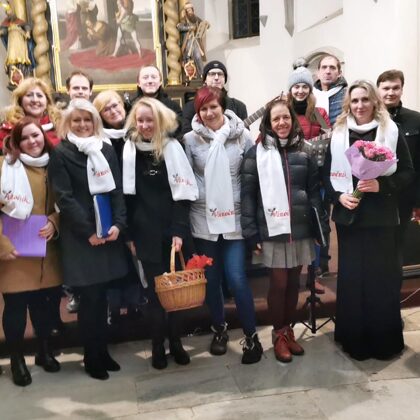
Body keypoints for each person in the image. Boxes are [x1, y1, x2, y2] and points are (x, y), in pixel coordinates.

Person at [323, 80, 414, 361]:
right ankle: (355, 342)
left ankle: (384, 342)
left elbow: (407, 172)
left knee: (381, 279)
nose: (360, 105)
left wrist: (381, 185)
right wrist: (339, 196)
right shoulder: (339, 133)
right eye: (354, 101)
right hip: (349, 217)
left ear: (374, 102)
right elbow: (325, 174)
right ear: (348, 104)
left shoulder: (390, 130)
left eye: (365, 100)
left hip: (381, 217)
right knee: (353, 279)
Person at [241, 97, 327, 363]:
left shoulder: (304, 151)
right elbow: (248, 197)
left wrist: (320, 228)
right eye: (276, 118)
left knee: (293, 283)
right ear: (268, 123)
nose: (281, 123)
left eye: (286, 117)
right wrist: (251, 232)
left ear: (293, 120)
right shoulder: (256, 154)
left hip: (300, 227)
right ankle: (278, 334)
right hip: (272, 229)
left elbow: (314, 193)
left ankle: (288, 331)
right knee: (278, 284)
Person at [49, 99, 128, 380]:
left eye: (87, 120)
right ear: (68, 123)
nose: (83, 125)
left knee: (103, 296)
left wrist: (118, 223)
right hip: (82, 237)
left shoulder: (104, 148)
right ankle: (91, 356)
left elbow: (116, 188)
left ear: (95, 122)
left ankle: (102, 351)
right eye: (77, 120)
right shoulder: (61, 152)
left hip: (107, 233)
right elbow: (64, 198)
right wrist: (89, 232)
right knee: (90, 298)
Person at [183, 86, 263, 364]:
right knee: (212, 280)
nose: (208, 113)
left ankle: (251, 335)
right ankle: (219, 329)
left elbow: (253, 177)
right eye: (203, 109)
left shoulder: (242, 136)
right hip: (204, 219)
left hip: (234, 218)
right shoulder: (190, 140)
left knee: (237, 278)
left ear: (223, 107)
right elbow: (186, 179)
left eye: (213, 107)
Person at [122, 97, 198, 369]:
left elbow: (183, 194)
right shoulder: (128, 150)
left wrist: (179, 230)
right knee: (154, 295)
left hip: (172, 231)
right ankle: (157, 345)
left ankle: (176, 342)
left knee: (176, 294)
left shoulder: (172, 148)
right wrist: (129, 236)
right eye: (140, 120)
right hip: (144, 233)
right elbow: (126, 198)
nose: (145, 125)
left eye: (150, 120)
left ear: (160, 121)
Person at [0, 117, 61, 386]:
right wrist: (1, 244)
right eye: (24, 138)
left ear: (43, 137)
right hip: (13, 251)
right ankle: (16, 359)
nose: (31, 141)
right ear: (16, 142)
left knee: (44, 307)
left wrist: (55, 223)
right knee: (15, 308)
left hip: (46, 250)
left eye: (35, 135)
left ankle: (44, 351)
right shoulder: (5, 167)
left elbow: (65, 202)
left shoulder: (55, 164)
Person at [93, 89, 145, 326]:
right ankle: (114, 308)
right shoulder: (98, 141)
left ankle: (136, 304)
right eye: (107, 109)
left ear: (123, 106)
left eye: (115, 105)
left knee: (136, 256)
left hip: (137, 202)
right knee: (117, 258)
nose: (113, 111)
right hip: (113, 205)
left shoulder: (137, 131)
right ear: (100, 115)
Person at [287, 65, 331, 292]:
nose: (301, 90)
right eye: (296, 86)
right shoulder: (284, 111)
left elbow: (328, 136)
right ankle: (294, 273)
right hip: (292, 178)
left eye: (305, 86)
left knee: (317, 225)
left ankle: (314, 274)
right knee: (295, 226)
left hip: (315, 177)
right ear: (290, 89)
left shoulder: (318, 113)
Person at [377, 70, 420, 244]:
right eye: (386, 88)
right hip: (376, 193)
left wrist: (418, 201)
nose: (391, 92)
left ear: (402, 90)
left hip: (405, 194)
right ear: (378, 90)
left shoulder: (416, 120)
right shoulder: (369, 119)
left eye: (396, 88)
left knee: (398, 244)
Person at [181, 60, 248, 135]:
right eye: (212, 74)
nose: (216, 77)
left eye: (220, 74)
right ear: (205, 79)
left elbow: (245, 135)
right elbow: (186, 134)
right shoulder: (190, 107)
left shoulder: (239, 106)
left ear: (225, 79)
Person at [0, 77, 61, 150]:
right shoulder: (8, 129)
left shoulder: (59, 125)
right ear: (20, 101)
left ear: (47, 102)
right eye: (29, 95)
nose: (35, 100)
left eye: (39, 95)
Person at [127, 64, 183, 139]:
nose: (150, 81)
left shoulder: (172, 106)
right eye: (145, 78)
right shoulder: (131, 106)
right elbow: (129, 131)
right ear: (138, 83)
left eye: (154, 77)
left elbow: (179, 129)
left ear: (160, 82)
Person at [313, 54, 347, 126]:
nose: (328, 71)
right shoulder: (311, 96)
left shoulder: (347, 95)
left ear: (339, 73)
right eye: (324, 67)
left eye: (332, 68)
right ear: (318, 73)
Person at [177, 2, 209, 79]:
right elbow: (179, 27)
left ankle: (202, 75)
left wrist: (206, 25)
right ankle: (189, 76)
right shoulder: (184, 19)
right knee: (188, 57)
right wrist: (189, 28)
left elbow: (202, 24)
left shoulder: (196, 18)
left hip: (195, 41)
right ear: (186, 11)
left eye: (190, 10)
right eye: (187, 10)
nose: (189, 12)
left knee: (198, 57)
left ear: (193, 10)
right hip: (187, 41)